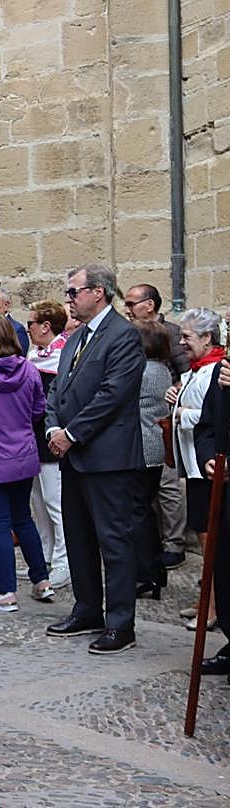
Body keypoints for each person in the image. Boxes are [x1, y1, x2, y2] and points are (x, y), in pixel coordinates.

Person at [44, 263, 145, 654]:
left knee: (113, 541)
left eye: (73, 292)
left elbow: (112, 394)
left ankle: (121, 622)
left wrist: (71, 433)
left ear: (97, 292)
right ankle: (87, 608)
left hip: (107, 458)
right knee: (79, 536)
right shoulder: (76, 338)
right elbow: (58, 390)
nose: (69, 299)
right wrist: (53, 428)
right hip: (73, 456)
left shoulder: (122, 336)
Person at [0, 315, 55, 612]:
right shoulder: (29, 369)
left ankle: (5, 590)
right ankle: (41, 580)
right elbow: (39, 409)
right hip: (23, 454)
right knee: (23, 519)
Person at [168, 308, 225, 630]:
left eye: (187, 336)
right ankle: (208, 600)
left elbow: (211, 416)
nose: (181, 342)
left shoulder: (218, 369)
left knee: (211, 540)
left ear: (207, 337)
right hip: (193, 465)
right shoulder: (197, 369)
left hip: (207, 467)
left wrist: (181, 414)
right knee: (205, 538)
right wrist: (175, 398)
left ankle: (216, 605)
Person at [125, 284, 190, 569]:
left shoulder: (171, 333)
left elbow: (186, 371)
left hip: (161, 423)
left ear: (149, 305)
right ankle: (154, 551)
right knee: (147, 498)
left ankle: (174, 544)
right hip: (153, 421)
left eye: (132, 303)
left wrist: (175, 393)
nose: (127, 308)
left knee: (166, 486)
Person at [26, 300, 72, 589]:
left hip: (51, 437)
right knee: (38, 503)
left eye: (31, 323)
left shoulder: (61, 356)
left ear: (46, 326)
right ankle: (43, 556)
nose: (27, 328)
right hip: (32, 436)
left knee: (56, 504)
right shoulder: (35, 354)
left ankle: (63, 561)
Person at [193, 352, 230, 678]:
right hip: (225, 491)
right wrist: (208, 458)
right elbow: (206, 426)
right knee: (225, 566)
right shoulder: (223, 369)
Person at [130, 319, 173, 600]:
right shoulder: (162, 370)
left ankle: (147, 573)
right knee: (144, 511)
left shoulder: (144, 371)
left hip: (143, 448)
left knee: (138, 513)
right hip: (153, 448)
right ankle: (154, 571)